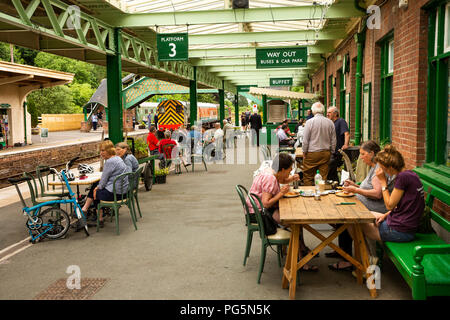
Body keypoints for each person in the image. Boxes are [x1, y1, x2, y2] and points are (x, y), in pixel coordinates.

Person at [348, 145, 425, 262]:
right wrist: (385, 215)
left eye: (383, 168)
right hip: (402, 223)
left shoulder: (402, 178)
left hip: (400, 231)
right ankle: (369, 257)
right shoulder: (411, 174)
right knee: (361, 215)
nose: (382, 171)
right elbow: (403, 205)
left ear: (390, 168)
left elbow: (389, 205)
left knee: (352, 222)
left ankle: (367, 260)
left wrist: (383, 181)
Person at [327, 140, 394, 271]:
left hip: (377, 207)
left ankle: (347, 258)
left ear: (372, 153)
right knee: (342, 211)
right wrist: (355, 185)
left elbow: (377, 194)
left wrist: (356, 190)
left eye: (363, 154)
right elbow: (369, 188)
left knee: (344, 214)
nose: (361, 157)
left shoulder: (378, 169)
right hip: (368, 202)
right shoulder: (374, 166)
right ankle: (344, 253)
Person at [245, 153, 318, 271]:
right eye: (289, 171)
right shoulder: (269, 178)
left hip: (258, 210)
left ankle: (301, 249)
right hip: (259, 213)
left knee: (295, 219)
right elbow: (266, 203)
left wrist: (290, 179)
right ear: (282, 169)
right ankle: (300, 262)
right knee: (294, 222)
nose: (289, 173)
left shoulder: (271, 171)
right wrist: (281, 194)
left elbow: (281, 178)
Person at [81, 140, 129, 228]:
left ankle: (98, 218)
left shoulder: (110, 162)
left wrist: (97, 188)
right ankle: (86, 209)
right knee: (96, 187)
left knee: (96, 191)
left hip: (116, 194)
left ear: (109, 150)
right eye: (100, 151)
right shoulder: (118, 158)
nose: (101, 153)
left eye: (103, 150)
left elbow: (103, 182)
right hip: (123, 192)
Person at [301, 102, 336, 186]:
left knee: (308, 176)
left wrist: (304, 151)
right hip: (325, 153)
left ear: (313, 111)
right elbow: (333, 140)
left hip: (312, 153)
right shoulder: (330, 122)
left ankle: (308, 195)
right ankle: (321, 194)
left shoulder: (309, 122)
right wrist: (332, 151)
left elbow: (305, 140)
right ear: (323, 111)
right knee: (323, 177)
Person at [326, 106, 350, 182]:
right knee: (332, 173)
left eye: (329, 112)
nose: (327, 114)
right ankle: (335, 186)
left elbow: (346, 133)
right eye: (327, 112)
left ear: (335, 114)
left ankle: (335, 185)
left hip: (338, 152)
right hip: (332, 151)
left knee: (331, 171)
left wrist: (346, 144)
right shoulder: (331, 123)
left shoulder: (341, 121)